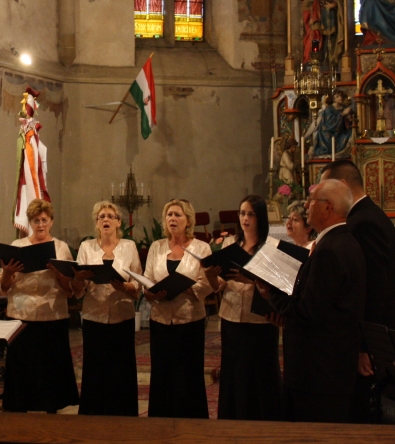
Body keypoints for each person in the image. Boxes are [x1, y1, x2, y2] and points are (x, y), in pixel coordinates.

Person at [256, 179, 367, 423]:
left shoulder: (329, 250)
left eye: (312, 200)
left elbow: (308, 310)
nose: (306, 205)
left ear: (328, 207)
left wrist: (270, 293)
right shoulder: (345, 241)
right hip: (330, 367)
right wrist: (285, 316)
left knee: (312, 437)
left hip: (317, 372)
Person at [320, 160, 395, 423]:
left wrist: (364, 347)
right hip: (377, 335)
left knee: (374, 416)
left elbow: (373, 289)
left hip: (378, 339)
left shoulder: (364, 223)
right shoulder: (367, 216)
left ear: (342, 185)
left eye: (326, 191)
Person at [0, 199, 81, 413]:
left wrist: (58, 273)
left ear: (51, 221)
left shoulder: (61, 248)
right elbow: (4, 286)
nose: (40, 225)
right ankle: (20, 407)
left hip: (52, 315)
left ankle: (51, 407)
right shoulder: (18, 246)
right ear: (30, 223)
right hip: (21, 315)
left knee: (50, 368)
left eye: (44, 220)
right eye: (36, 221)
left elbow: (70, 290)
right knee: (22, 367)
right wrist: (7, 272)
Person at [142, 199, 214, 418]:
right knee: (162, 373)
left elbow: (207, 283)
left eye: (177, 215)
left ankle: (192, 420)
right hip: (161, 319)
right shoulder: (156, 247)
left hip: (189, 320)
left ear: (188, 220)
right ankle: (161, 420)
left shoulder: (201, 248)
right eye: (169, 215)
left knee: (188, 373)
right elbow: (147, 279)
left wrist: (186, 287)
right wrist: (151, 292)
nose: (172, 219)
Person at [213, 195, 281, 421]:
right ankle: (233, 417)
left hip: (260, 319)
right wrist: (210, 275)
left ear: (260, 217)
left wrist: (250, 279)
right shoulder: (230, 244)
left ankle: (263, 419)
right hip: (231, 315)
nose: (245, 218)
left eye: (250, 214)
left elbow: (279, 286)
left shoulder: (271, 247)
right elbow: (219, 284)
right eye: (242, 213)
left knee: (260, 373)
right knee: (234, 371)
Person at [75, 201, 142, 416]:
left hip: (122, 315)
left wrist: (126, 287)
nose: (105, 219)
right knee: (95, 368)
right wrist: (78, 278)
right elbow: (78, 288)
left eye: (110, 216)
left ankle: (124, 414)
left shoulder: (129, 247)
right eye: (101, 217)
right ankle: (93, 415)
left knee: (122, 368)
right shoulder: (87, 247)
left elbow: (138, 281)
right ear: (97, 223)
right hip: (94, 316)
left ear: (118, 222)